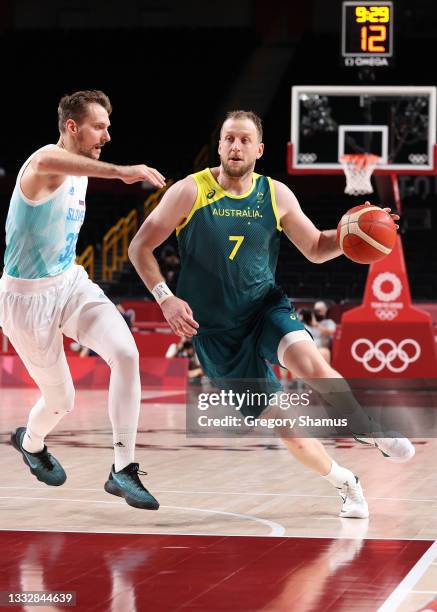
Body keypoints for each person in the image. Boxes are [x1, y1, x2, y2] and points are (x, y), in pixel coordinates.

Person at [128, 109, 415, 519]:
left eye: (245, 140)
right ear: (220, 144)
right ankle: (346, 483)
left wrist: (356, 234)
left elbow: (316, 247)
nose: (235, 146)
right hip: (216, 336)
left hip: (265, 309)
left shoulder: (275, 194)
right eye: (229, 138)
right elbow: (139, 247)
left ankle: (369, 428)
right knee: (290, 431)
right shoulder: (189, 191)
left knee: (310, 363)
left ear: (259, 149)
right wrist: (165, 298)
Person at [0, 90, 165, 510]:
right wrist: (122, 171)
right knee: (61, 401)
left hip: (69, 282)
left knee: (126, 353)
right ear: (72, 127)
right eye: (99, 126)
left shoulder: (82, 170)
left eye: (108, 126)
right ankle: (30, 442)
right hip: (26, 299)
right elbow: (50, 163)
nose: (107, 135)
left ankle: (123, 469)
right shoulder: (41, 165)